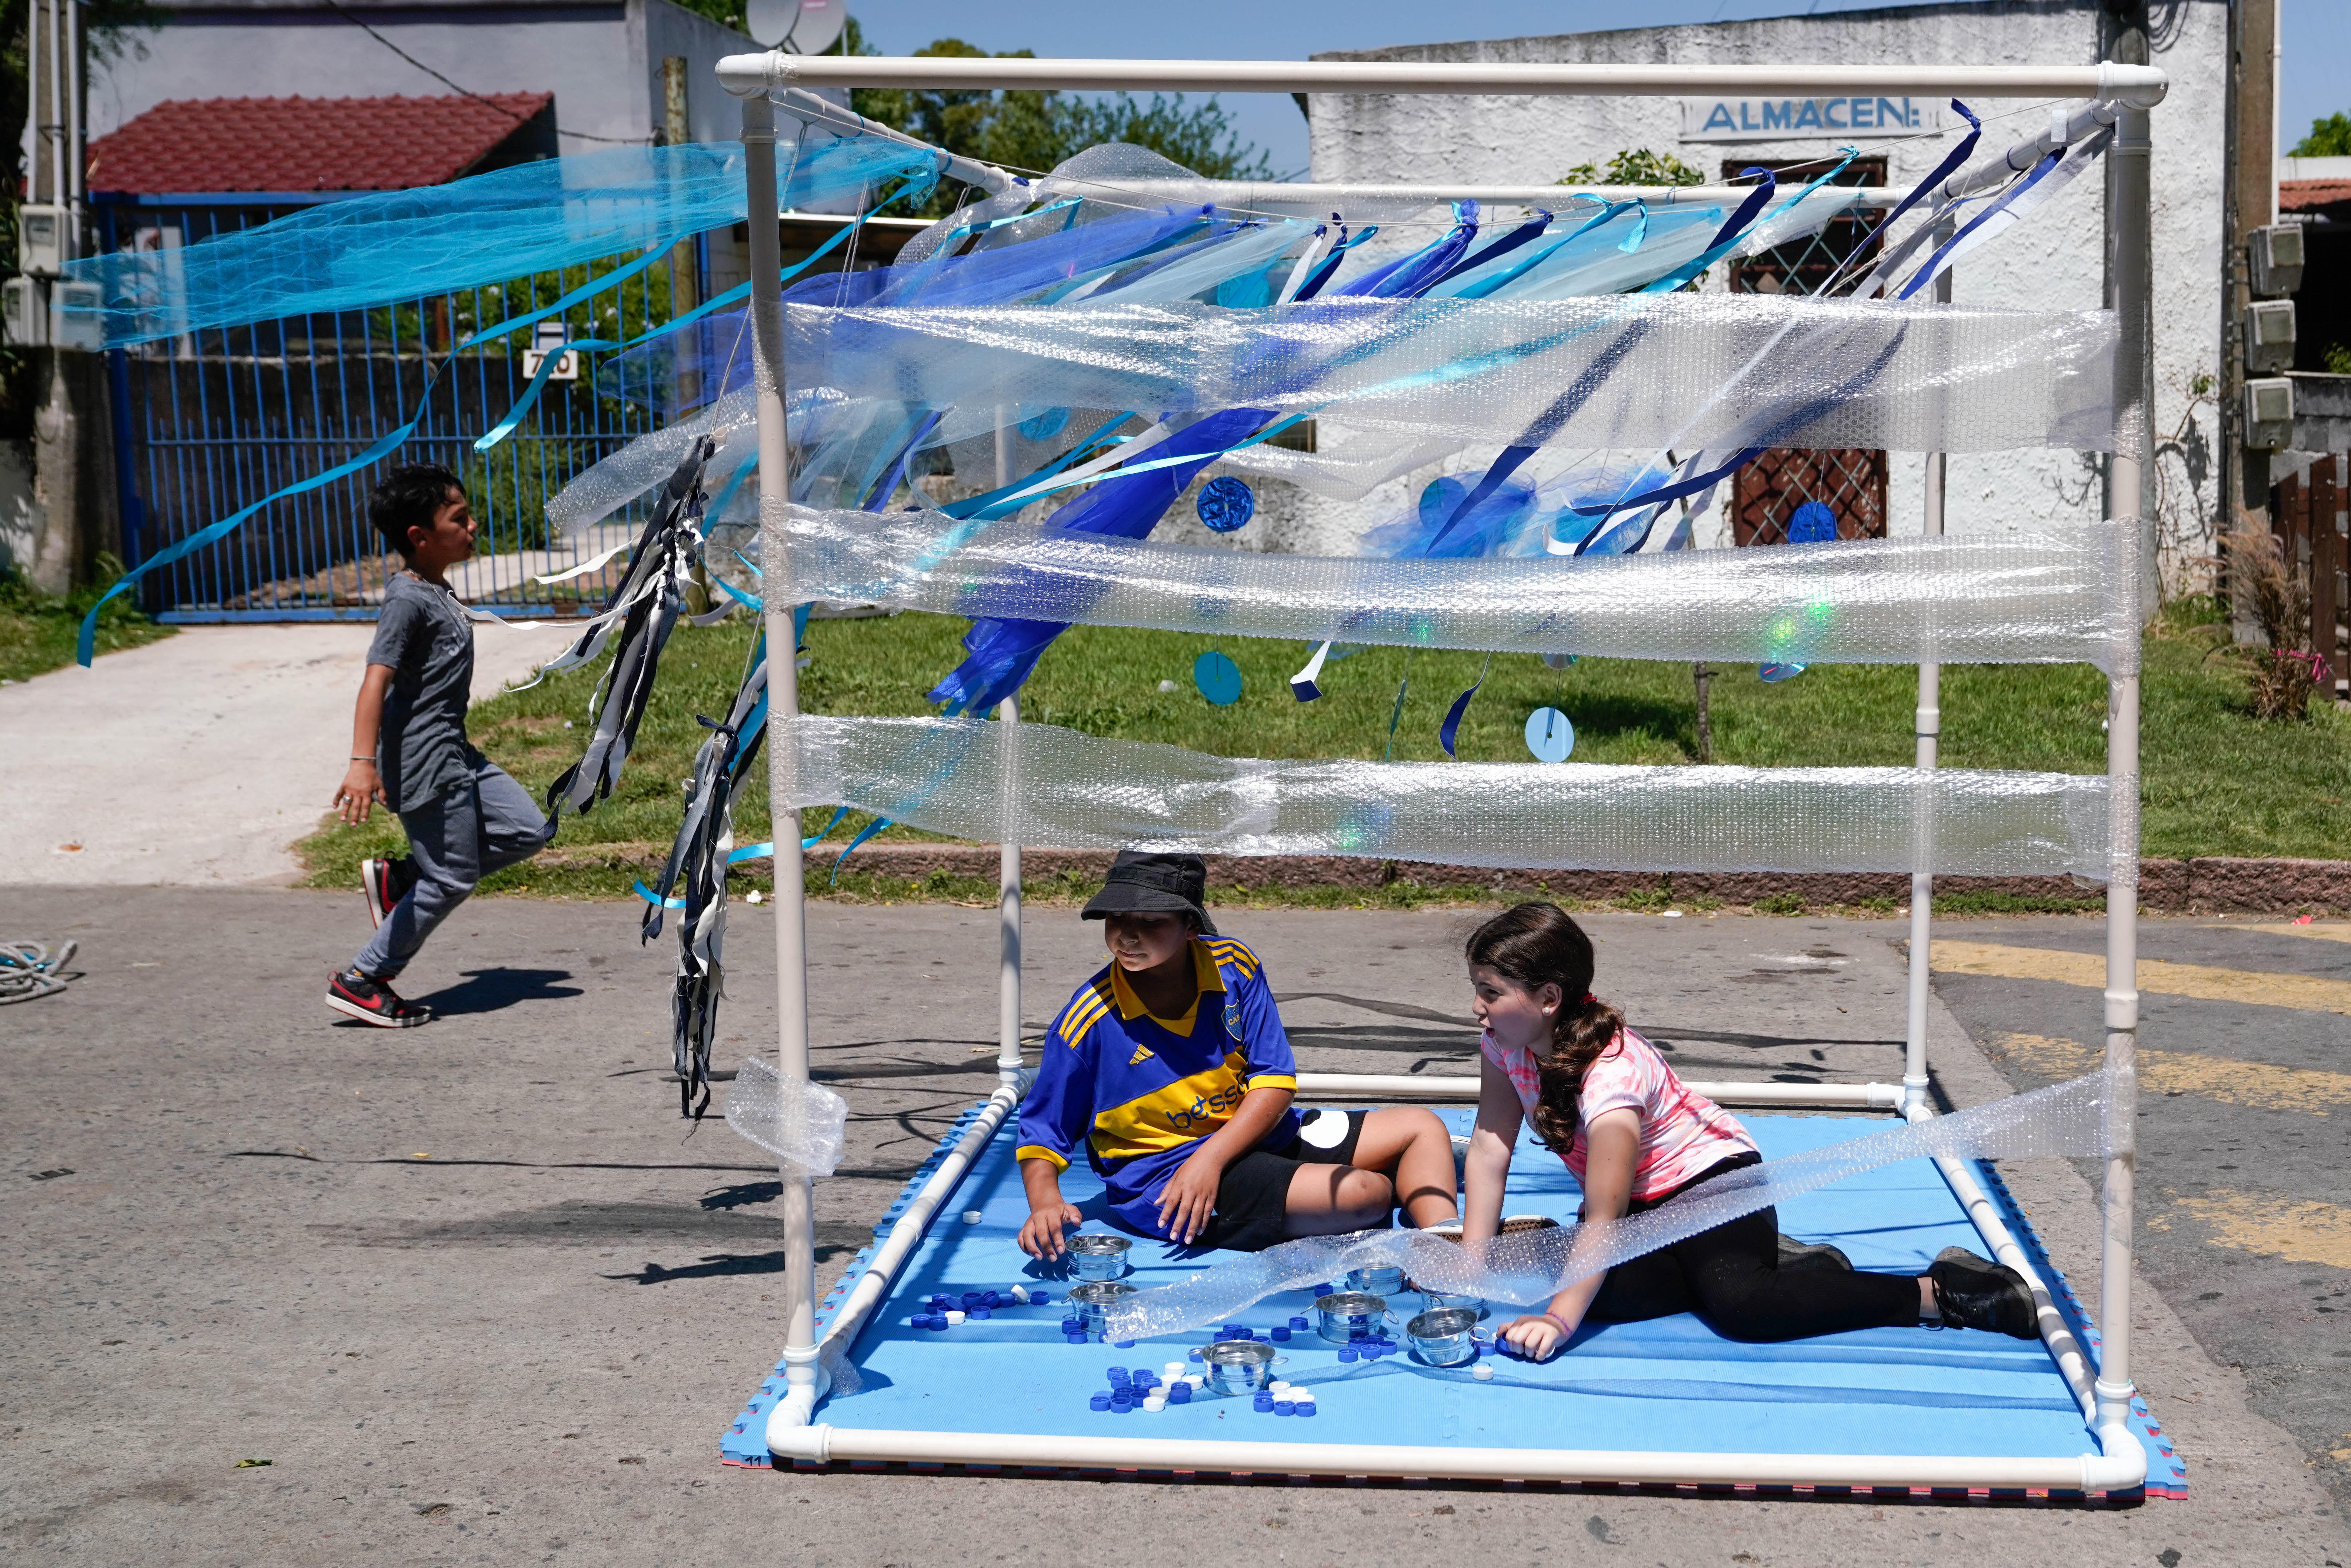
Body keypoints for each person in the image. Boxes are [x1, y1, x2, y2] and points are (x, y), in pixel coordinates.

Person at [1456, 901, 2040, 1357]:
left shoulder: (1612, 1079)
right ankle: (1772, 1265)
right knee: (1601, 1294)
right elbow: (1487, 1146)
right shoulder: (1503, 1045)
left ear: (1549, 998)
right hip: (1640, 1203)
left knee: (1745, 1308)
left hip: (1711, 1183)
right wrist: (1472, 1265)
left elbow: (1604, 1220)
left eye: (1490, 992)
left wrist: (1558, 1322)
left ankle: (1938, 1291)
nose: (1476, 1006)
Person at [1015, 850, 1460, 1257]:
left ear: (1191, 926)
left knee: (1421, 1126)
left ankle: (1449, 1243)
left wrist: (1213, 1157)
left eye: (1150, 921)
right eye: (1116, 918)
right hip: (1170, 1177)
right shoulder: (1087, 1021)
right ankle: (1399, 1192)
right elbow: (1043, 1127)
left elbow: (1274, 1080)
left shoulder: (1235, 965)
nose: (1128, 935)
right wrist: (1045, 1201)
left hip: (1252, 1137)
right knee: (1364, 1194)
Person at [324, 465, 555, 1028]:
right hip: (425, 761)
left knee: (529, 829)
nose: (473, 524)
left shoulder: (436, 589)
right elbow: (375, 679)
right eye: (458, 518)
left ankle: (403, 879)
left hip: (456, 751)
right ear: (419, 538)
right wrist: (361, 765)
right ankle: (364, 978)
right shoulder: (408, 600)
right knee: (452, 878)